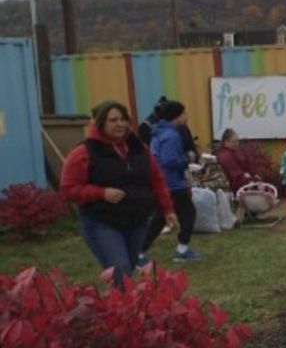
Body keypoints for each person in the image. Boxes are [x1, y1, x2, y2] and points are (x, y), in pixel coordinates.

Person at [61, 101, 177, 285]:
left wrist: (168, 209)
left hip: (136, 220)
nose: (120, 124)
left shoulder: (139, 149)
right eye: (113, 120)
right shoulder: (83, 152)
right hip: (102, 222)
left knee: (127, 271)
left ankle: (118, 307)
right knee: (120, 270)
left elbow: (157, 180)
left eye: (123, 119)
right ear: (101, 123)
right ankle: (120, 310)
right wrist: (101, 193)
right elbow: (68, 190)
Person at [143, 100, 203, 262]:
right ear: (176, 116)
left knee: (160, 218)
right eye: (184, 113)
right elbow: (169, 161)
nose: (186, 116)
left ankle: (139, 252)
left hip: (162, 182)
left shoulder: (158, 132)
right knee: (188, 214)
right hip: (173, 183)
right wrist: (187, 158)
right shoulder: (172, 135)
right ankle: (182, 250)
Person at [214, 129, 256, 193]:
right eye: (234, 142)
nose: (237, 144)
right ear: (226, 142)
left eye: (237, 141)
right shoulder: (225, 155)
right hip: (233, 190)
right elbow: (236, 177)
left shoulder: (231, 152)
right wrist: (250, 180)